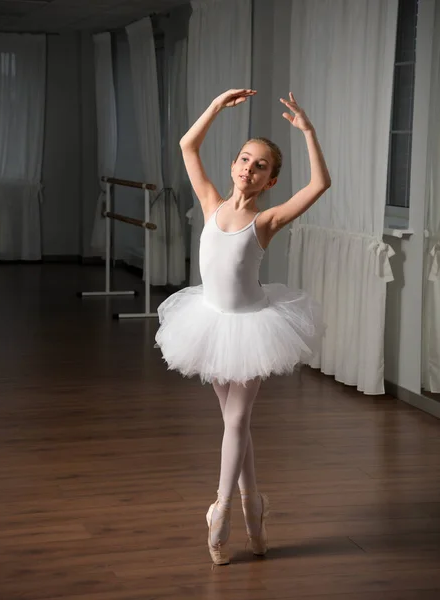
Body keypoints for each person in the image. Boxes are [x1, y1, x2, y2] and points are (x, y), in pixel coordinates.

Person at [155, 89, 331, 566]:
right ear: (234, 164)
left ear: (271, 181)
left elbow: (319, 185)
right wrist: (214, 107)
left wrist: (309, 134)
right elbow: (187, 147)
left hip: (252, 327)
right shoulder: (211, 202)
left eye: (260, 167)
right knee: (239, 425)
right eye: (244, 160)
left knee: (235, 420)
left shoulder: (265, 221)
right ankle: (256, 514)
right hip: (210, 325)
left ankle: (221, 510)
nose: (248, 170)